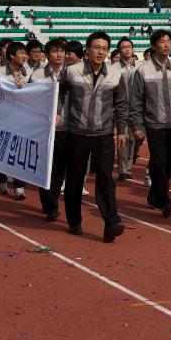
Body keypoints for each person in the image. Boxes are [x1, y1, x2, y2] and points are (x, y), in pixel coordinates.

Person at [61, 31, 129, 242]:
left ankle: (111, 222)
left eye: (104, 49)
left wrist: (122, 130)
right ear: (87, 49)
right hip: (77, 133)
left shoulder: (115, 74)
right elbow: (58, 95)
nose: (100, 52)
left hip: (103, 134)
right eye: (97, 47)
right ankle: (74, 221)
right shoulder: (72, 71)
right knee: (74, 179)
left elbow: (121, 104)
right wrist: (57, 116)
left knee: (106, 178)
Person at [131, 29, 171, 217]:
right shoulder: (143, 70)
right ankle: (164, 200)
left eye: (169, 41)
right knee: (159, 162)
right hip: (154, 124)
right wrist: (136, 125)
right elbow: (136, 100)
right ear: (154, 45)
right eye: (162, 41)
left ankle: (154, 196)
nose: (167, 45)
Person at [34, 38, 70, 221]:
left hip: (68, 128)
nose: (59, 54)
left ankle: (54, 200)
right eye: (55, 51)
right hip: (45, 128)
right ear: (47, 54)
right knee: (47, 167)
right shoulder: (38, 75)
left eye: (62, 51)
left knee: (61, 169)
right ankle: (50, 205)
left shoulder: (72, 74)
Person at [0, 41, 31, 200]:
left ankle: (19, 186)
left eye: (25, 53)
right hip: (3, 117)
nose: (24, 56)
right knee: (3, 150)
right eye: (21, 53)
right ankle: (1, 181)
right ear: (11, 55)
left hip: (22, 117)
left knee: (20, 152)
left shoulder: (28, 72)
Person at [112, 37, 142, 183]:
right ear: (119, 50)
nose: (127, 49)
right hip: (120, 109)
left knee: (134, 139)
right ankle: (123, 170)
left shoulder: (139, 68)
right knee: (123, 139)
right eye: (124, 47)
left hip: (136, 110)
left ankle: (128, 167)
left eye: (129, 46)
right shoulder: (113, 69)